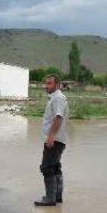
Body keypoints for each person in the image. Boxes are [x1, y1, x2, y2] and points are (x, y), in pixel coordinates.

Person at [35, 74, 69, 206]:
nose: (46, 85)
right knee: (54, 167)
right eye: (46, 83)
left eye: (50, 83)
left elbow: (58, 118)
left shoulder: (58, 98)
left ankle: (50, 198)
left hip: (54, 140)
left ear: (57, 85)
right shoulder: (55, 98)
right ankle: (57, 196)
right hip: (58, 139)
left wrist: (51, 137)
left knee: (46, 167)